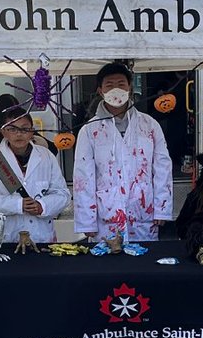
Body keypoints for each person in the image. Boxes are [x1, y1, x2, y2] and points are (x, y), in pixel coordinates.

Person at [72, 62, 173, 242]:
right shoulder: (89, 130)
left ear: (129, 88)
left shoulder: (149, 125)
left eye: (121, 84)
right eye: (109, 85)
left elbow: (162, 167)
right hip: (107, 214)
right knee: (107, 266)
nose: (116, 89)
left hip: (143, 210)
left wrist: (162, 208)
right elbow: (83, 177)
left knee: (144, 264)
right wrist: (87, 221)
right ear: (100, 91)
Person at [0, 106, 71, 243]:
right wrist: (18, 204)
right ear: (3, 132)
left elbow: (62, 194)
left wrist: (42, 206)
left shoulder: (46, 156)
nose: (19, 134)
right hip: (7, 236)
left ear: (32, 131)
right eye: (12, 129)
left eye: (24, 129)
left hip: (41, 235)